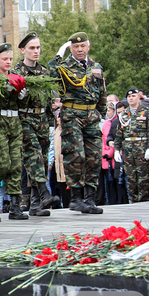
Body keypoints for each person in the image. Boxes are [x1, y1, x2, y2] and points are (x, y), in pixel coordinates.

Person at [49, 32, 106, 214]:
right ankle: (76, 198)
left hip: (92, 115)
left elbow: (102, 92)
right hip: (72, 115)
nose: (79, 49)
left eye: (82, 46)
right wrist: (58, 56)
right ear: (71, 48)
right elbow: (50, 74)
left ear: (88, 46)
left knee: (94, 157)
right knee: (75, 156)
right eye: (75, 46)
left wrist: (102, 114)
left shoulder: (96, 67)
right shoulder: (64, 66)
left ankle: (90, 199)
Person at [13, 32, 60, 216]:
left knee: (41, 160)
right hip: (24, 118)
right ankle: (44, 193)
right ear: (23, 50)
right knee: (34, 156)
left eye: (38, 48)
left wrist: (50, 122)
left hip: (42, 120)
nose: (36, 51)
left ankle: (35, 205)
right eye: (32, 48)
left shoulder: (44, 72)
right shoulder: (17, 72)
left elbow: (48, 99)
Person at [0, 43, 28, 220]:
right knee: (2, 163)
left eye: (10, 59)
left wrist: (22, 96)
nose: (8, 62)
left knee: (16, 164)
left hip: (14, 121)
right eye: (4, 59)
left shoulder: (15, 77)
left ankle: (15, 206)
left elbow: (22, 105)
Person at [113, 89, 149, 203]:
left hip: (142, 147)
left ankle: (144, 202)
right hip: (128, 149)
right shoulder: (124, 114)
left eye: (133, 96)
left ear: (138, 97)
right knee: (131, 177)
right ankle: (133, 201)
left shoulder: (146, 111)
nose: (131, 98)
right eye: (129, 96)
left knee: (144, 177)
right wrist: (117, 149)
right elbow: (119, 133)